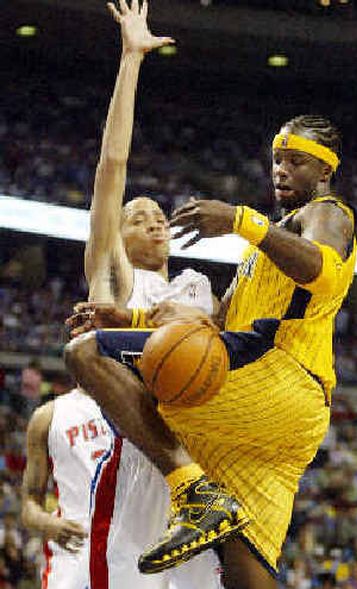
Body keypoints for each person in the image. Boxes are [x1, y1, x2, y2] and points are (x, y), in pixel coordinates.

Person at [65, 53, 356, 589]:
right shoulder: (255, 255)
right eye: (276, 159)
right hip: (282, 420)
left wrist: (238, 219)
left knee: (88, 353)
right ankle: (203, 498)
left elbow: (325, 271)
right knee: (246, 562)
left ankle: (191, 489)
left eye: (295, 160)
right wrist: (125, 314)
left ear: (325, 170)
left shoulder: (327, 214)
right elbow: (216, 324)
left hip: (276, 376)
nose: (280, 170)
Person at [71, 1, 223, 587]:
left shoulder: (197, 288)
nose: (155, 221)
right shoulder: (113, 277)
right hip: (138, 463)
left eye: (160, 216)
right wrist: (131, 58)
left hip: (203, 462)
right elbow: (113, 164)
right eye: (140, 216)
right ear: (117, 234)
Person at [21, 387, 112, 589]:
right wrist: (48, 523)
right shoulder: (47, 417)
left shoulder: (134, 401)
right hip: (74, 545)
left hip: (127, 540)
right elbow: (29, 506)